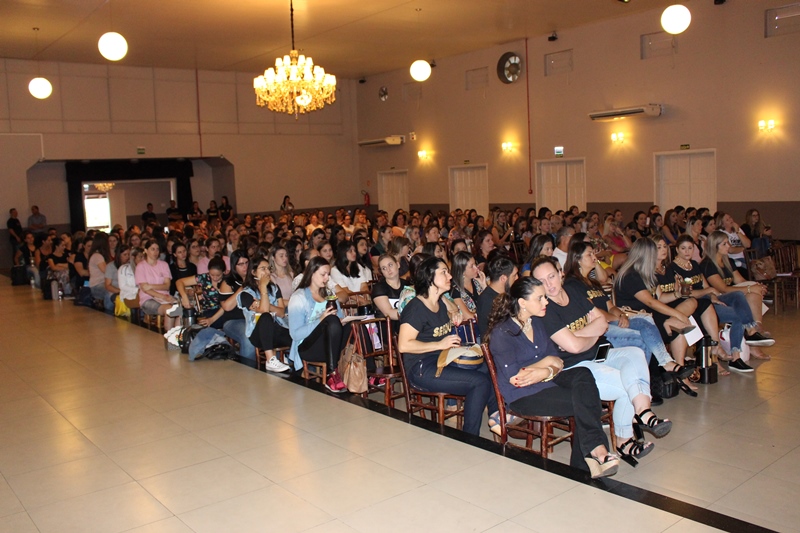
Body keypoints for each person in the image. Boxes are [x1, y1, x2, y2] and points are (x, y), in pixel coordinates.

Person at [531, 256, 671, 466]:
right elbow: (574, 348)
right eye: (541, 281)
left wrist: (578, 335)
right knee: (625, 383)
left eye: (551, 276)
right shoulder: (544, 309)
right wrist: (587, 333)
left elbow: (601, 322)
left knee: (635, 353)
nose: (549, 284)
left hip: (598, 353)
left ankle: (643, 412)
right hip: (576, 367)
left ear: (560, 274)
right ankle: (625, 440)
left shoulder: (575, 291)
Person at [486, 277, 619, 478]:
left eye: (545, 298)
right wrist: (545, 365)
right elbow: (516, 378)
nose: (546, 302)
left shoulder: (537, 322)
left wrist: (546, 371)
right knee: (583, 400)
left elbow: (558, 360)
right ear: (522, 302)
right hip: (523, 395)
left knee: (583, 375)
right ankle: (594, 454)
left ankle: (590, 457)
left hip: (548, 381)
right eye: (540, 298)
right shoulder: (502, 332)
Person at [564, 241, 695, 380]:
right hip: (598, 327)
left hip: (613, 321)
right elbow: (592, 312)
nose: (594, 257)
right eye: (589, 254)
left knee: (646, 320)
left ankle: (664, 365)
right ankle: (646, 380)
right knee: (641, 337)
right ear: (577, 259)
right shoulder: (573, 284)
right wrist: (617, 318)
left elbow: (611, 307)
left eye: (593, 253)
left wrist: (622, 315)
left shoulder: (593, 283)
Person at [397, 257, 498, 435]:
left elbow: (438, 325)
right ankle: (470, 438)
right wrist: (439, 343)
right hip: (421, 368)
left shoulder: (440, 303)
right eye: (443, 272)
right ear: (429, 277)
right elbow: (404, 345)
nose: (449, 276)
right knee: (479, 383)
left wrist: (454, 318)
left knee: (486, 370)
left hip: (442, 359)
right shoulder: (415, 308)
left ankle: (496, 415)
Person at [701, 231, 774, 362]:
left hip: (733, 295)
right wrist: (751, 287)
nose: (729, 245)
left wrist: (756, 286)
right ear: (715, 246)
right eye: (725, 243)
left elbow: (740, 280)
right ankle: (754, 332)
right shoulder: (707, 265)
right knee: (745, 292)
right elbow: (723, 289)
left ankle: (755, 329)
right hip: (720, 298)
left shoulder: (727, 260)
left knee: (753, 291)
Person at [287, 256, 348, 392]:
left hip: (330, 343)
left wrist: (343, 322)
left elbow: (340, 318)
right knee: (330, 320)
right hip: (307, 347)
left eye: (328, 274)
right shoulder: (299, 297)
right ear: (312, 273)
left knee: (355, 325)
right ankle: (331, 374)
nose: (327, 278)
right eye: (323, 274)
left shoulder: (329, 294)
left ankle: (371, 373)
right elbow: (295, 334)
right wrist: (320, 320)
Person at [232, 255, 292, 373]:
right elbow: (264, 312)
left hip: (278, 328)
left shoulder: (274, 288)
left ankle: (294, 363)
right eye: (263, 269)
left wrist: (265, 304)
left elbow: (280, 313)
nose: (267, 272)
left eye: (268, 268)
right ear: (254, 272)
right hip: (258, 334)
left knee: (297, 331)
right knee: (266, 317)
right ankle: (270, 360)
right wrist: (263, 287)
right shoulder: (246, 294)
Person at [135, 239, 180, 330]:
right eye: (152, 249)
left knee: (180, 309)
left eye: (157, 249)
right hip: (148, 298)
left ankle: (177, 334)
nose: (155, 252)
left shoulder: (164, 265)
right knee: (170, 310)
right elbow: (145, 289)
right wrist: (162, 296)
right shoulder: (141, 266)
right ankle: (169, 335)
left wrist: (151, 285)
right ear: (146, 251)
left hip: (165, 296)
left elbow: (167, 285)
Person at [475, 254, 518, 336]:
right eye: (514, 275)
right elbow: (489, 335)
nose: (517, 278)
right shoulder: (487, 301)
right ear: (503, 278)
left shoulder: (509, 293)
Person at [449, 251, 486, 322]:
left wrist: (484, 286)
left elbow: (493, 305)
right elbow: (468, 316)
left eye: (475, 263)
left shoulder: (477, 282)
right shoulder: (455, 290)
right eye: (472, 266)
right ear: (462, 271)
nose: (476, 268)